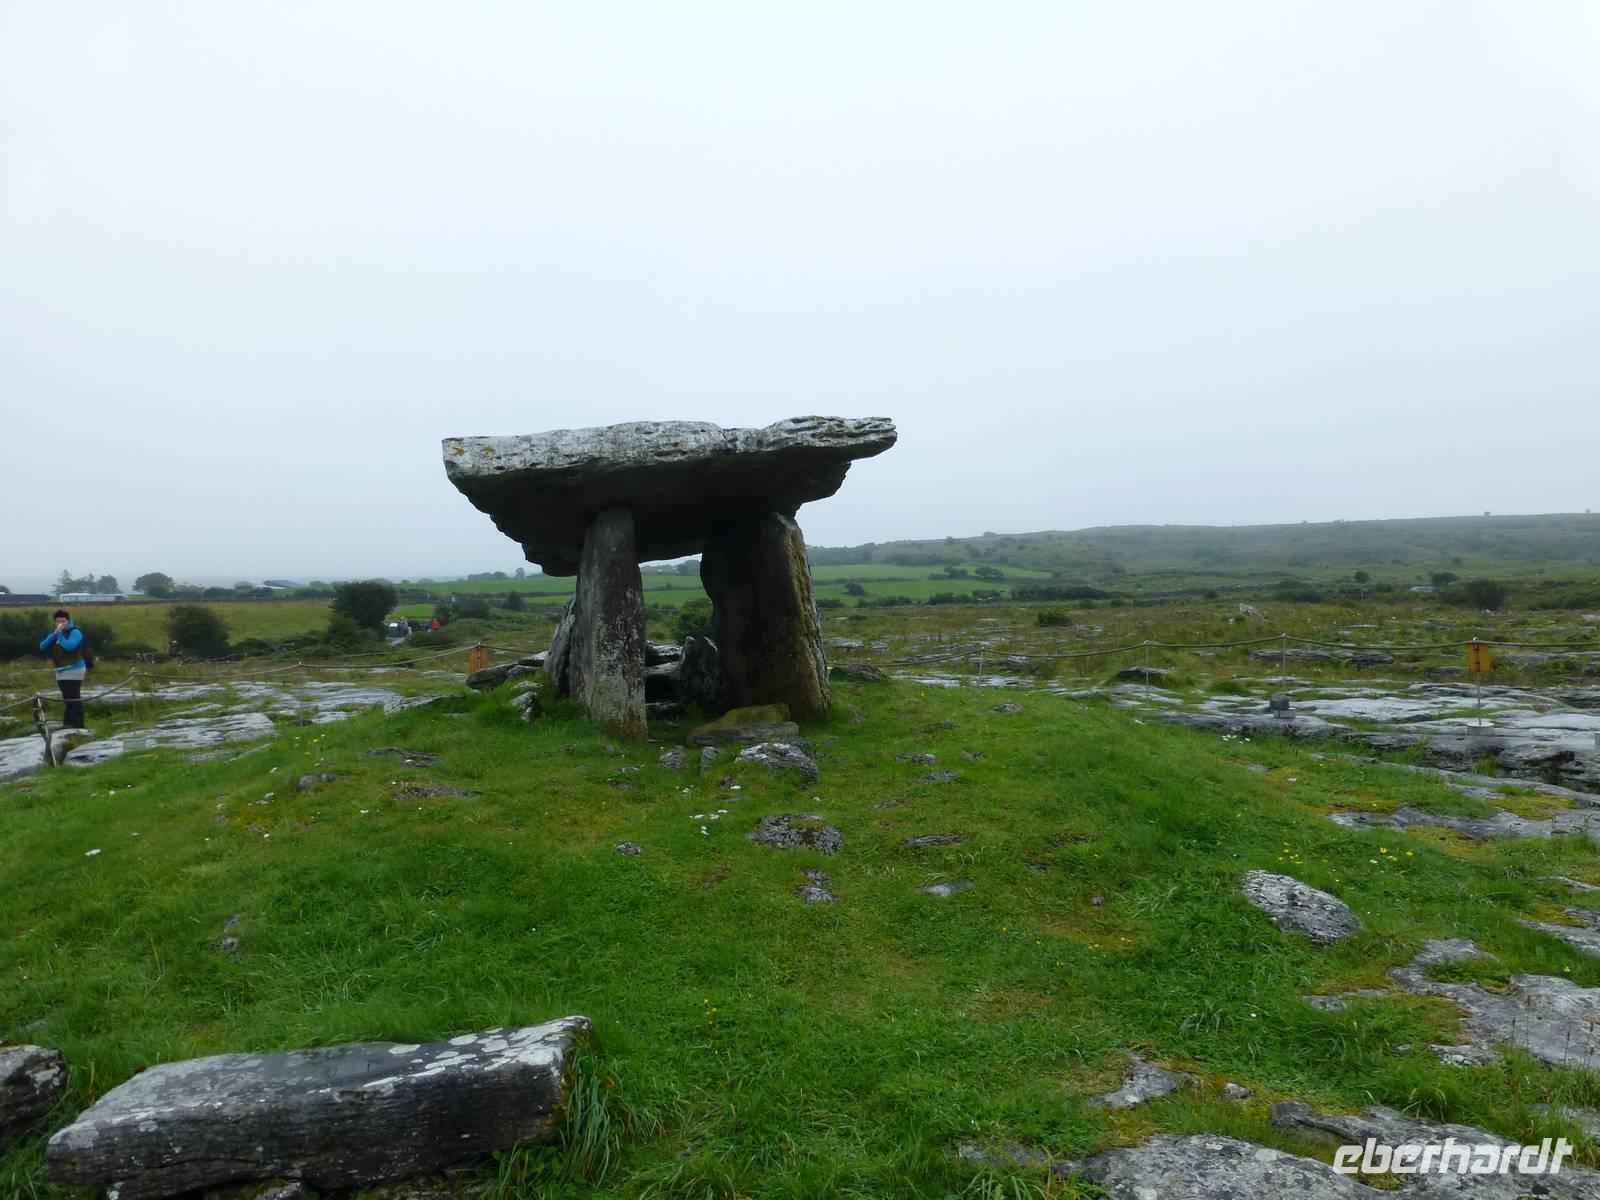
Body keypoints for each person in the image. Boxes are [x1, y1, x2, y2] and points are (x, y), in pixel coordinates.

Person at [39, 609, 87, 729]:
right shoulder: (55, 633)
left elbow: (70, 646)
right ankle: (67, 724)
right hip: (60, 670)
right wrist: (54, 635)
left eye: (63, 621)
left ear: (68, 621)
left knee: (73, 697)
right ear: (55, 622)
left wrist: (59, 634)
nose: (61, 623)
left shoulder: (75, 632)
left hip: (74, 668)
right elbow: (42, 646)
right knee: (67, 698)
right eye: (58, 621)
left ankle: (77, 725)